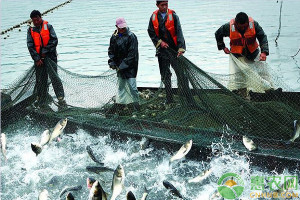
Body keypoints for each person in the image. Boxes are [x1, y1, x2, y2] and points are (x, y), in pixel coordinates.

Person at [147, 0, 196, 106]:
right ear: (157, 5)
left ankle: (189, 100)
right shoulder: (153, 17)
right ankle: (169, 99)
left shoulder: (173, 16)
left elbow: (179, 32)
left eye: (166, 5)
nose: (164, 7)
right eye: (162, 5)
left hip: (174, 50)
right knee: (165, 75)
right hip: (162, 51)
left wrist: (181, 48)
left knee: (181, 74)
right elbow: (150, 31)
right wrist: (160, 42)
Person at [215, 12, 272, 98]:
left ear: (247, 23)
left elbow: (262, 37)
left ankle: (269, 92)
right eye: (240, 27)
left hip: (253, 53)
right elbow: (218, 34)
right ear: (236, 23)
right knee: (239, 78)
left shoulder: (254, 25)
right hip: (237, 56)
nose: (243, 28)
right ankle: (243, 97)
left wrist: (264, 52)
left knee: (262, 73)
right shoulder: (228, 27)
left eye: (244, 26)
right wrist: (223, 47)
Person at [27, 10, 66, 109]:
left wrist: (45, 51)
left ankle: (60, 98)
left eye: (37, 19)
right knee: (41, 79)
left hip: (50, 57)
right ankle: (41, 98)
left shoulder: (48, 27)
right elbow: (30, 46)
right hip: (38, 60)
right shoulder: (30, 30)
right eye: (34, 20)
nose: (35, 22)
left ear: (40, 18)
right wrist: (37, 58)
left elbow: (54, 40)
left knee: (54, 77)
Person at [107, 17, 139, 115]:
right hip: (119, 67)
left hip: (130, 67)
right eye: (120, 27)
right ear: (117, 27)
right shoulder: (114, 37)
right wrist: (112, 63)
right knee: (121, 87)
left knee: (132, 87)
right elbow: (111, 51)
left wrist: (122, 66)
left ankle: (136, 105)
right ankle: (121, 104)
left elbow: (132, 55)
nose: (122, 29)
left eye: (124, 27)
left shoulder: (131, 36)